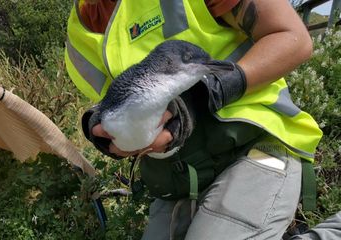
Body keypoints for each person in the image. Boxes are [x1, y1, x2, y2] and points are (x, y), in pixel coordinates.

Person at [65, 0, 325, 239]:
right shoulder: (81, 31)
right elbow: (117, 95)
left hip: (253, 145)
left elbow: (293, 38)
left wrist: (199, 98)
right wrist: (103, 128)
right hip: (182, 174)